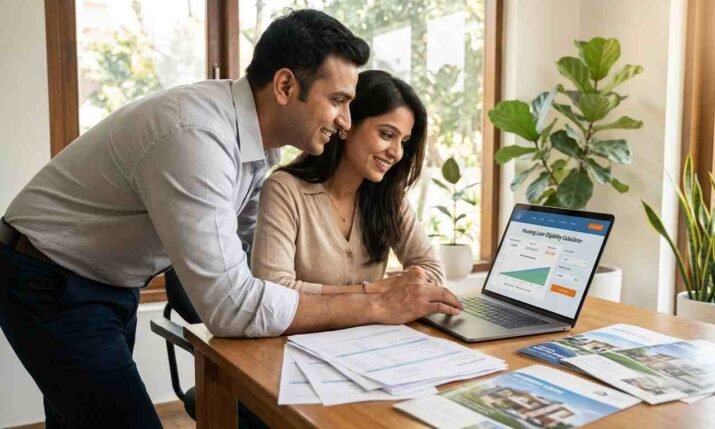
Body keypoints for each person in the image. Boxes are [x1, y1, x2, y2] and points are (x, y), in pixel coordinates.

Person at [0, 9, 461, 428]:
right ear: (285, 87)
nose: (344, 120)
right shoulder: (197, 138)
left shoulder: (258, 144)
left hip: (108, 280)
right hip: (49, 277)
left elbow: (246, 255)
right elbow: (232, 305)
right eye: (338, 100)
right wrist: (375, 301)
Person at [252, 70, 444, 295]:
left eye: (404, 141)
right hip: (302, 331)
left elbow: (433, 272)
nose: (397, 153)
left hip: (375, 331)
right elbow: (272, 289)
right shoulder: (284, 190)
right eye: (386, 134)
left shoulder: (389, 197)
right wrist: (375, 291)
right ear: (347, 124)